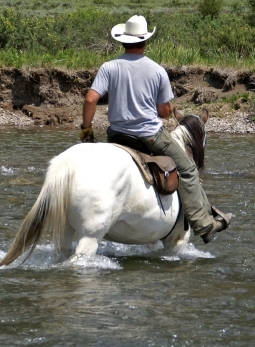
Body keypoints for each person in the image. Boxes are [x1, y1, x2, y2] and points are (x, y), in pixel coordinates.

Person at [79, 15, 232, 243]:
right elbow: (163, 111)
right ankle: (204, 225)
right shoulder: (157, 71)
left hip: (117, 136)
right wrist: (166, 107)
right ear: (145, 41)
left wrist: (87, 130)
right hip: (150, 136)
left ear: (123, 41)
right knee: (189, 169)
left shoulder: (108, 67)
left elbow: (91, 99)